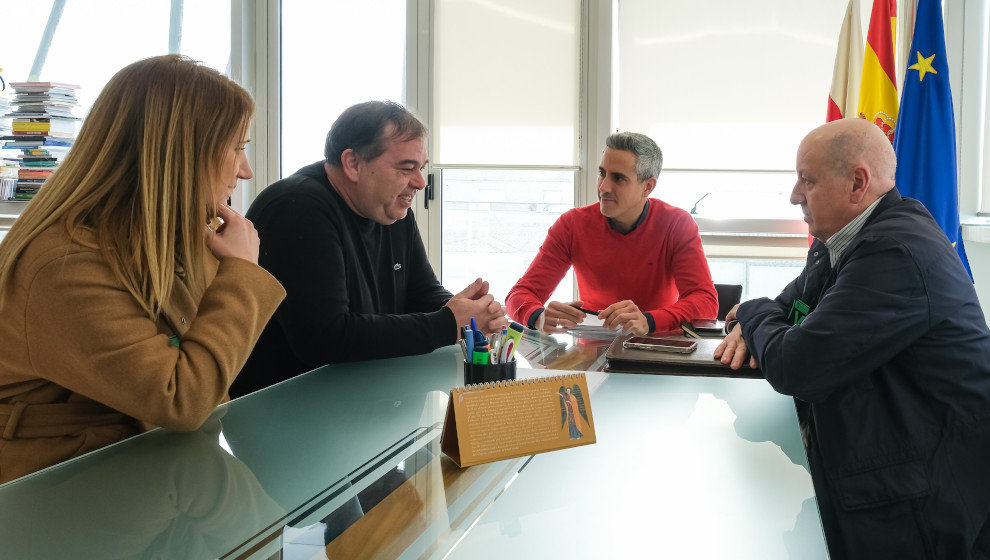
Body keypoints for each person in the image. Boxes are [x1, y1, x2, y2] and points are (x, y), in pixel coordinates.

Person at [0, 55, 286, 483]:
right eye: (237, 148)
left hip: (143, 473)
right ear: (179, 156)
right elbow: (183, 399)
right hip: (60, 493)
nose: (244, 171)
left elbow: (207, 383)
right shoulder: (63, 265)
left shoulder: (161, 239)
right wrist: (241, 273)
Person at [715, 118, 990, 558]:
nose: (794, 195)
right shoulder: (840, 242)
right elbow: (789, 309)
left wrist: (749, 313)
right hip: (884, 467)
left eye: (808, 180)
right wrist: (759, 319)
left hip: (926, 501)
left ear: (857, 183)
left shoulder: (895, 250)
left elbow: (798, 365)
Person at [230, 101, 507, 397]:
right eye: (406, 168)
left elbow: (421, 294)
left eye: (421, 168)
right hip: (284, 410)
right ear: (353, 164)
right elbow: (326, 338)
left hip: (362, 397)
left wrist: (472, 312)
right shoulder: (297, 208)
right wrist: (447, 323)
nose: (419, 182)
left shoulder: (389, 208)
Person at [505, 132, 717, 335]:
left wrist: (648, 320)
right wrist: (539, 317)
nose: (603, 187)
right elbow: (518, 295)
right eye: (602, 173)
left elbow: (706, 303)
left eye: (618, 178)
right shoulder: (572, 224)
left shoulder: (676, 224)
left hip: (656, 348)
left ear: (648, 187)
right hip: (592, 352)